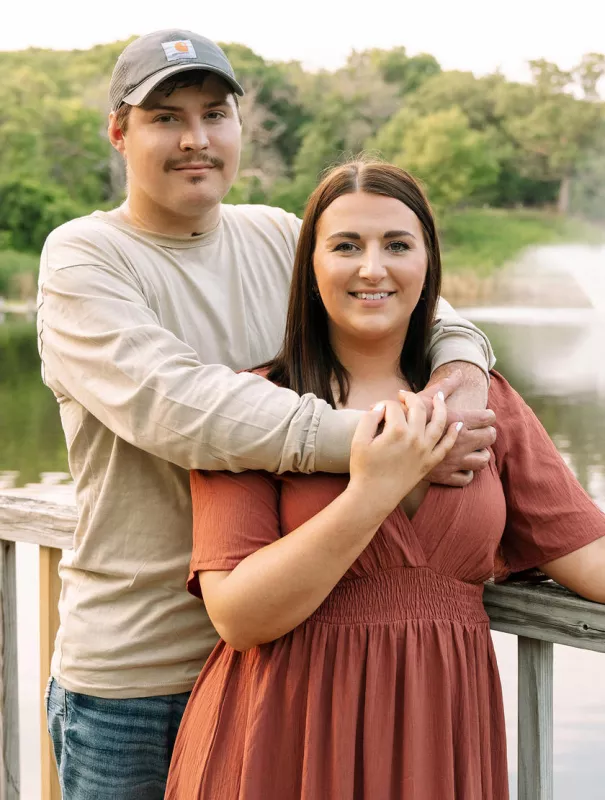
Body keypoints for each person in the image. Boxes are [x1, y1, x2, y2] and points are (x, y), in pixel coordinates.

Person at [39, 31, 495, 798]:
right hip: (142, 678)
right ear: (119, 132)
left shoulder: (278, 235)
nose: (196, 139)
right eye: (165, 118)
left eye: (215, 115)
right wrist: (388, 449)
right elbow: (193, 411)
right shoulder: (84, 257)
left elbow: (417, 304)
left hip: (284, 671)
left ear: (240, 130)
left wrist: (461, 372)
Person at [165, 159, 605, 800]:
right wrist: (374, 489)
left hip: (440, 738)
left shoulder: (487, 408)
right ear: (312, 268)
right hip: (286, 737)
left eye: (397, 245)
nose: (373, 268)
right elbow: (238, 617)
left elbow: (589, 557)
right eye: (346, 246)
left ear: (428, 264)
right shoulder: (255, 409)